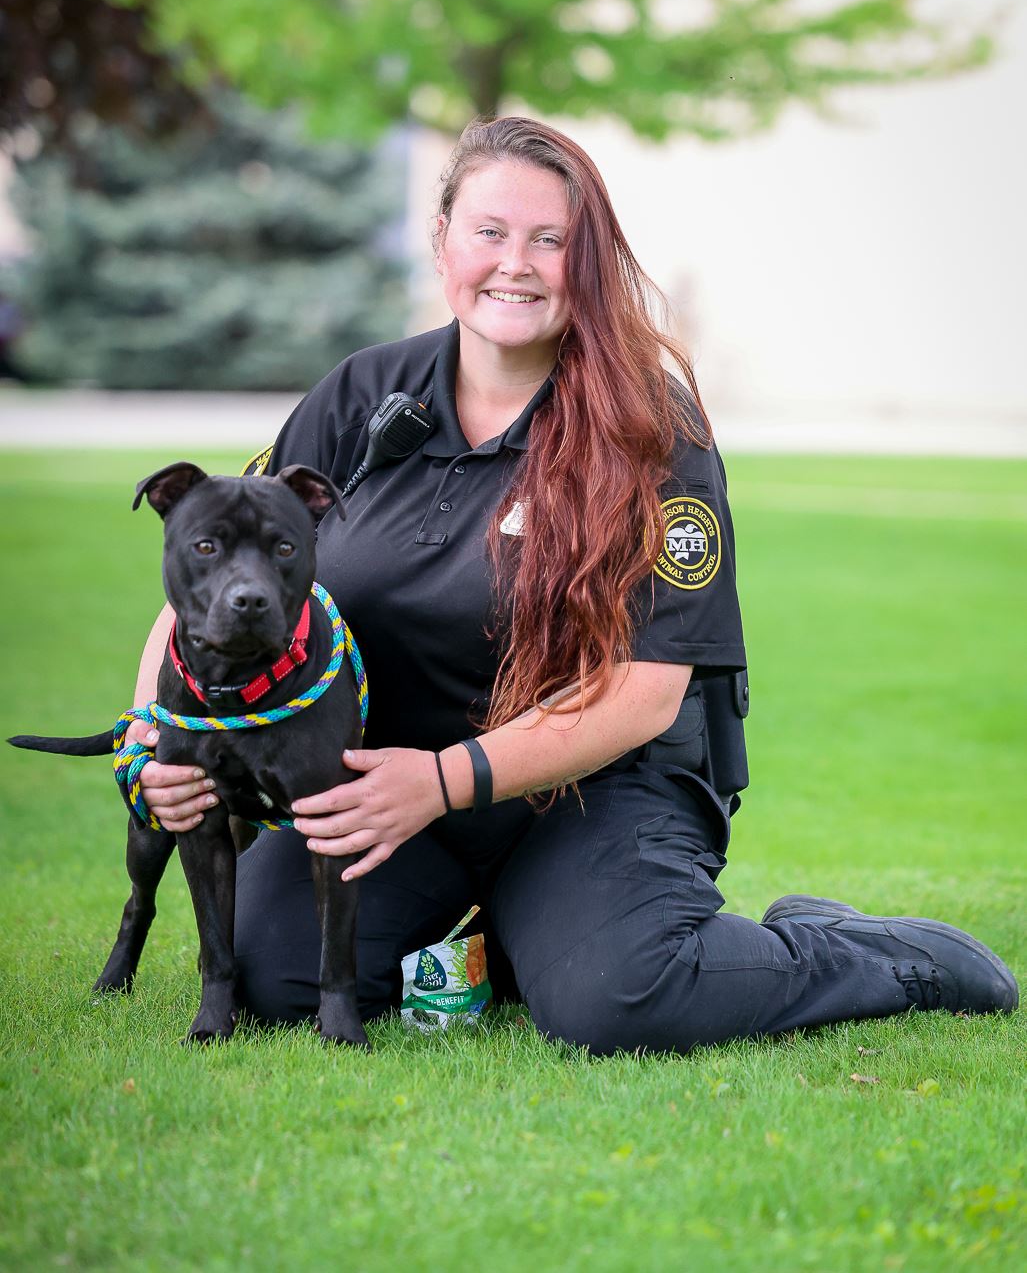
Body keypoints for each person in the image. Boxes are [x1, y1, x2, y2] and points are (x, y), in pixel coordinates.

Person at [125, 116, 1017, 1054]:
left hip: (596, 789)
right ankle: (516, 937)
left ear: (584, 260)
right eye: (489, 232)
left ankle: (852, 953)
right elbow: (205, 568)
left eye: (549, 240)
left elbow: (647, 689)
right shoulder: (357, 396)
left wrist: (443, 779)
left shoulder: (646, 425)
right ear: (442, 243)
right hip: (386, 789)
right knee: (275, 977)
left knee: (614, 999)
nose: (516, 263)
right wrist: (155, 745)